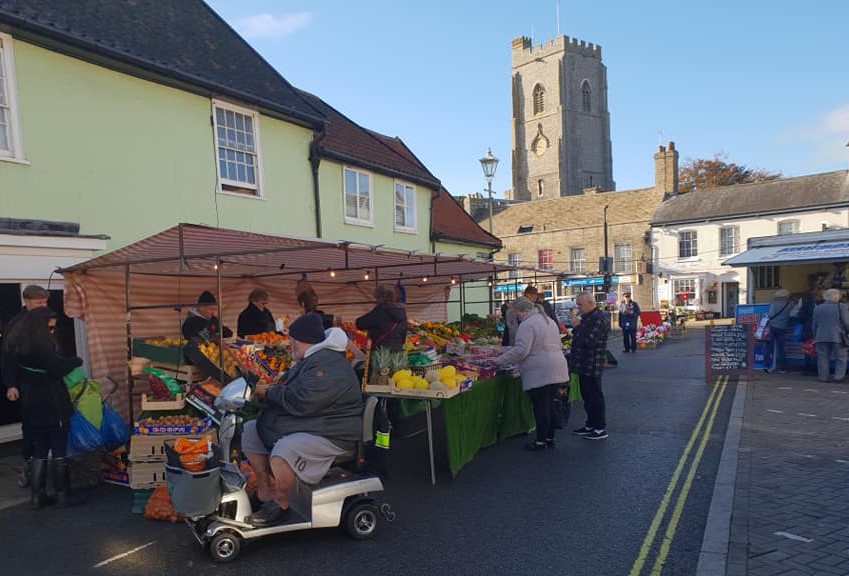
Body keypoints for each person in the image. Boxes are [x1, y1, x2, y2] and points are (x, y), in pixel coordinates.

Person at [240, 313, 363, 526]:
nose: (290, 345)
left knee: (285, 449)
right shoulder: (316, 359)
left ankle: (282, 503)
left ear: (300, 340)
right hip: (318, 423)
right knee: (250, 430)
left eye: (292, 340)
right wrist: (271, 389)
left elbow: (305, 400)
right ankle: (265, 492)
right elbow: (297, 391)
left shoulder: (328, 364)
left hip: (334, 433)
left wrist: (268, 393)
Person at [5, 307, 85, 508]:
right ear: (40, 326)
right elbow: (56, 369)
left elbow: (11, 367)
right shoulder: (42, 345)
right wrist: (76, 361)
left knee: (40, 448)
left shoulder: (18, 342)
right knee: (59, 447)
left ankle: (37, 495)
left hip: (31, 403)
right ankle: (62, 493)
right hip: (52, 401)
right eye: (50, 327)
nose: (52, 331)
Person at [493, 297, 569, 451]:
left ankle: (540, 441)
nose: (518, 318)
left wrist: (499, 361)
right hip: (556, 366)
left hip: (539, 370)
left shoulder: (528, 324)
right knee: (550, 404)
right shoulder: (548, 321)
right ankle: (549, 438)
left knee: (540, 406)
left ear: (524, 310)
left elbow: (522, 350)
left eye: (518, 314)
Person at [2, 285, 50, 489]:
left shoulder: (48, 319)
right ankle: (30, 467)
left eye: (45, 302)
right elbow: (7, 357)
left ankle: (47, 468)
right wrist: (11, 384)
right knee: (31, 425)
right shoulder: (16, 325)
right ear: (27, 302)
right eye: (39, 303)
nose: (42, 306)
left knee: (50, 424)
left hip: (48, 382)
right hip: (26, 382)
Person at [570, 291, 611, 440]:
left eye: (580, 305)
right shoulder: (587, 318)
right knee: (587, 397)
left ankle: (600, 428)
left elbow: (589, 341)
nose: (578, 308)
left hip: (592, 364)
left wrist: (576, 328)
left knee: (595, 397)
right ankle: (590, 424)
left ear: (591, 303)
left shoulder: (598, 318)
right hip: (583, 364)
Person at [811, 289, 849, 382]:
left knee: (822, 358)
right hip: (838, 337)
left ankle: (823, 377)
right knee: (841, 358)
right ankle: (838, 377)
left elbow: (814, 324)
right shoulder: (841, 307)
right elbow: (846, 322)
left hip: (821, 336)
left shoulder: (817, 308)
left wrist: (815, 336)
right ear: (835, 297)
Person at [355, 285, 407, 353]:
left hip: (381, 352)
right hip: (397, 352)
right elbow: (403, 338)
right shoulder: (402, 312)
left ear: (380, 298)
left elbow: (360, 323)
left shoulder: (381, 310)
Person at [764, 289, 794, 374]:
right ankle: (782, 368)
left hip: (772, 327)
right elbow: (793, 313)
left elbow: (770, 315)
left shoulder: (774, 303)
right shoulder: (790, 303)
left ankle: (768, 366)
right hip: (782, 327)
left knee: (769, 347)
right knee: (781, 348)